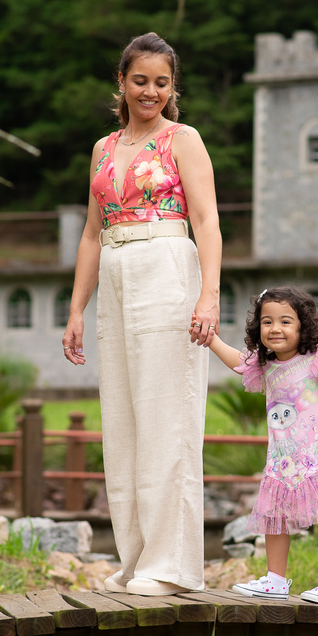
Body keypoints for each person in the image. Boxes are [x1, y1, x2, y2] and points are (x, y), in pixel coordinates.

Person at [62, 32, 221, 597]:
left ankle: (171, 566)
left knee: (165, 416)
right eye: (140, 81)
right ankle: (134, 559)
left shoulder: (183, 139)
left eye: (161, 82)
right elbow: (90, 232)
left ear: (172, 87)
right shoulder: (103, 148)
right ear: (121, 82)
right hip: (115, 273)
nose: (150, 91)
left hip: (166, 267)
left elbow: (207, 220)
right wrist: (76, 308)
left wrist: (209, 295)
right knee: (124, 420)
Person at [206, 286, 318, 606]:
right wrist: (211, 338)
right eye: (267, 321)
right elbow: (237, 361)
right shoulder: (264, 364)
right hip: (284, 461)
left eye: (285, 321)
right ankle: (275, 580)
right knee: (274, 517)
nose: (275, 328)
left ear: (303, 326)